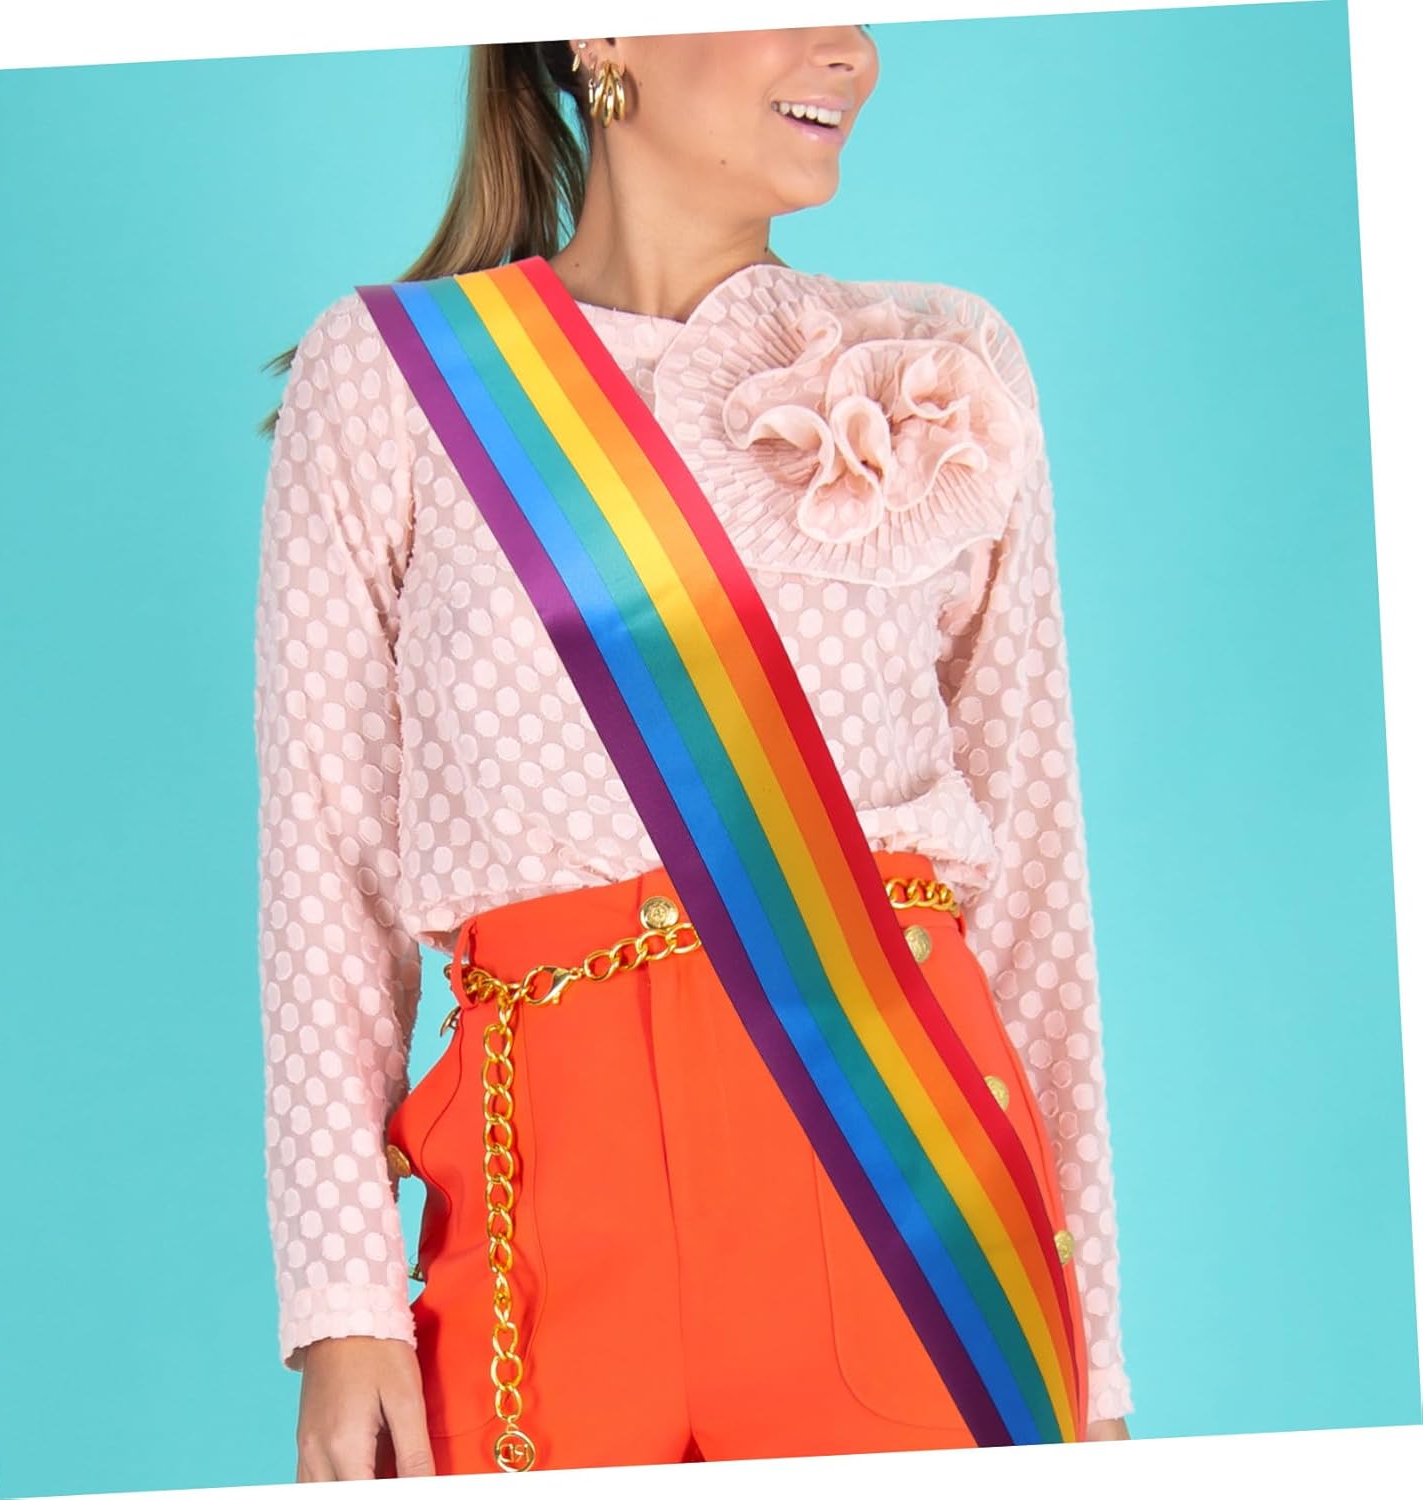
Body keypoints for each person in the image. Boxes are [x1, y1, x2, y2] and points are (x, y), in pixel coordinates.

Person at [254, 28, 1134, 1483]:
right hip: (542, 1218)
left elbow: (1038, 869)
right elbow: (322, 869)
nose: (850, 50)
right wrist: (343, 1303)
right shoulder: (393, 378)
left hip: (908, 1198)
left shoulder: (945, 365)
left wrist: (1094, 1349)